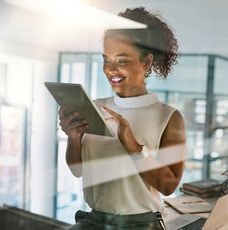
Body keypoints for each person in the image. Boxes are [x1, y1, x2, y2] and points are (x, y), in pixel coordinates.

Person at [58, 7, 186, 229]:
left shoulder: (169, 117)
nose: (111, 69)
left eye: (122, 60)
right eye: (106, 59)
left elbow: (169, 185)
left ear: (146, 63)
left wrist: (134, 148)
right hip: (95, 221)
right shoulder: (95, 107)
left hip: (141, 225)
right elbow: (77, 169)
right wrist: (73, 137)